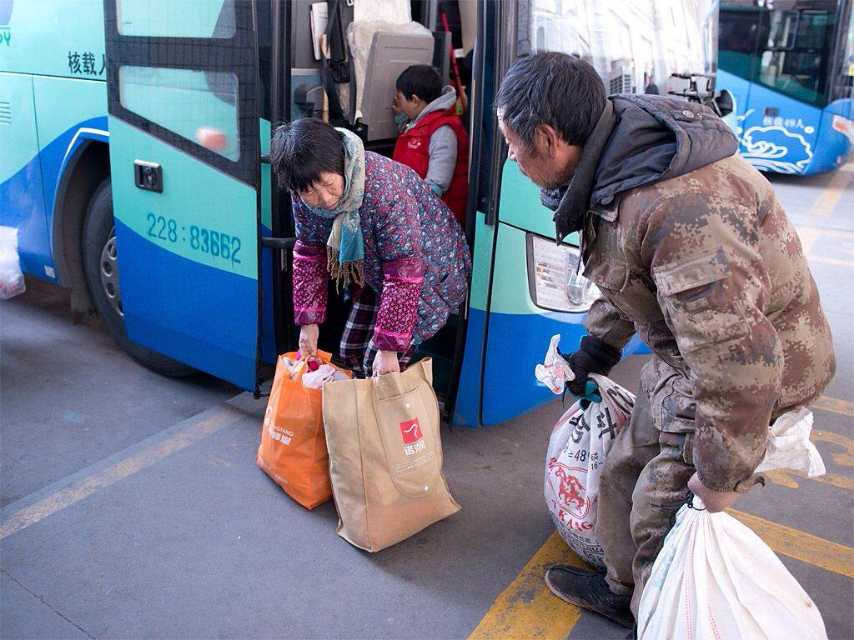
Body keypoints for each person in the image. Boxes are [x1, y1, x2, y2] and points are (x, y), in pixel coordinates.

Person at [495, 52, 835, 629]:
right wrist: (598, 349)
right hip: (686, 356)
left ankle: (658, 619)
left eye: (512, 143)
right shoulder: (619, 160)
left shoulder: (678, 210)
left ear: (549, 138)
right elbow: (631, 274)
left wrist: (722, 474)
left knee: (663, 511)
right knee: (623, 469)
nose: (509, 156)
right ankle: (625, 590)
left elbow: (737, 359)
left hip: (753, 370)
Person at [270, 118, 471, 378]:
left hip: (429, 272)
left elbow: (404, 270)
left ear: (342, 163)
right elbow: (309, 253)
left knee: (379, 366)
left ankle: (379, 403)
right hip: (377, 271)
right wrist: (308, 323)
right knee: (350, 349)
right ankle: (359, 398)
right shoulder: (302, 193)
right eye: (311, 192)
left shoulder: (384, 188)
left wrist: (389, 349)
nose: (325, 199)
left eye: (329, 185)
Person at [392, 65, 469, 224]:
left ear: (415, 100)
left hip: (436, 219)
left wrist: (409, 209)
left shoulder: (443, 129)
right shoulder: (421, 121)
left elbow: (437, 183)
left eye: (400, 98)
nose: (398, 103)